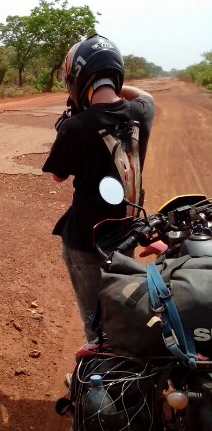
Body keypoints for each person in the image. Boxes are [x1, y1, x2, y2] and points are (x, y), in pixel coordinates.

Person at [42, 34, 155, 343]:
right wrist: (115, 89)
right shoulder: (141, 112)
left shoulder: (74, 127)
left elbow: (58, 177)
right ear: (116, 74)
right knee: (122, 308)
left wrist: (76, 114)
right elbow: (145, 96)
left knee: (95, 322)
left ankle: (99, 366)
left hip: (86, 241)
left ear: (78, 79)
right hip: (126, 233)